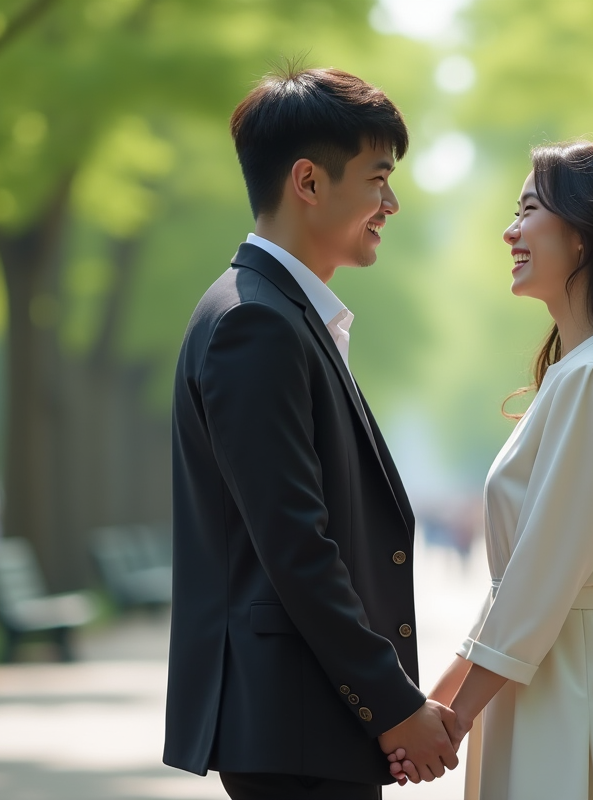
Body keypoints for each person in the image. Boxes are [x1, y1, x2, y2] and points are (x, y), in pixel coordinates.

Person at [163, 66, 458, 800]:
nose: (390, 203)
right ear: (308, 181)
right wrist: (393, 707)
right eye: (378, 178)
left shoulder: (280, 314)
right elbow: (296, 545)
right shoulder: (255, 323)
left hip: (304, 720)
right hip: (295, 724)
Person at [390, 141, 593, 799]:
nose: (510, 230)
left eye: (529, 210)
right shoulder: (581, 374)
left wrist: (451, 719)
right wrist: (434, 708)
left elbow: (542, 575)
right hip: (546, 673)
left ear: (588, 235)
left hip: (568, 687)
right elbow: (521, 584)